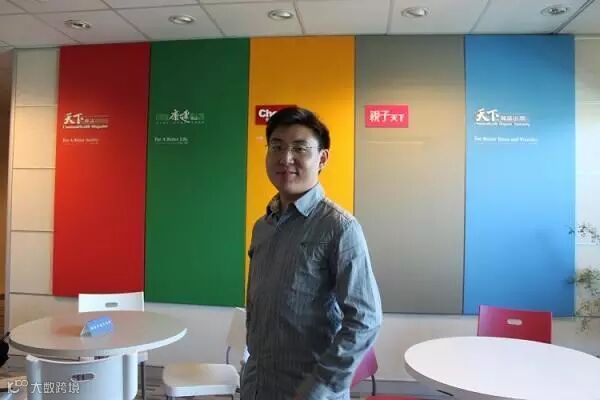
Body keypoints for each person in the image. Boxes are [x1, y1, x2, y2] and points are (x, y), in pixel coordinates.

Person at [241, 107, 382, 400]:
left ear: (322, 158)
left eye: (299, 148)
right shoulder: (262, 226)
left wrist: (321, 387)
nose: (285, 158)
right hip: (257, 384)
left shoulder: (339, 227)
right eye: (277, 147)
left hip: (308, 390)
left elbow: (365, 319)